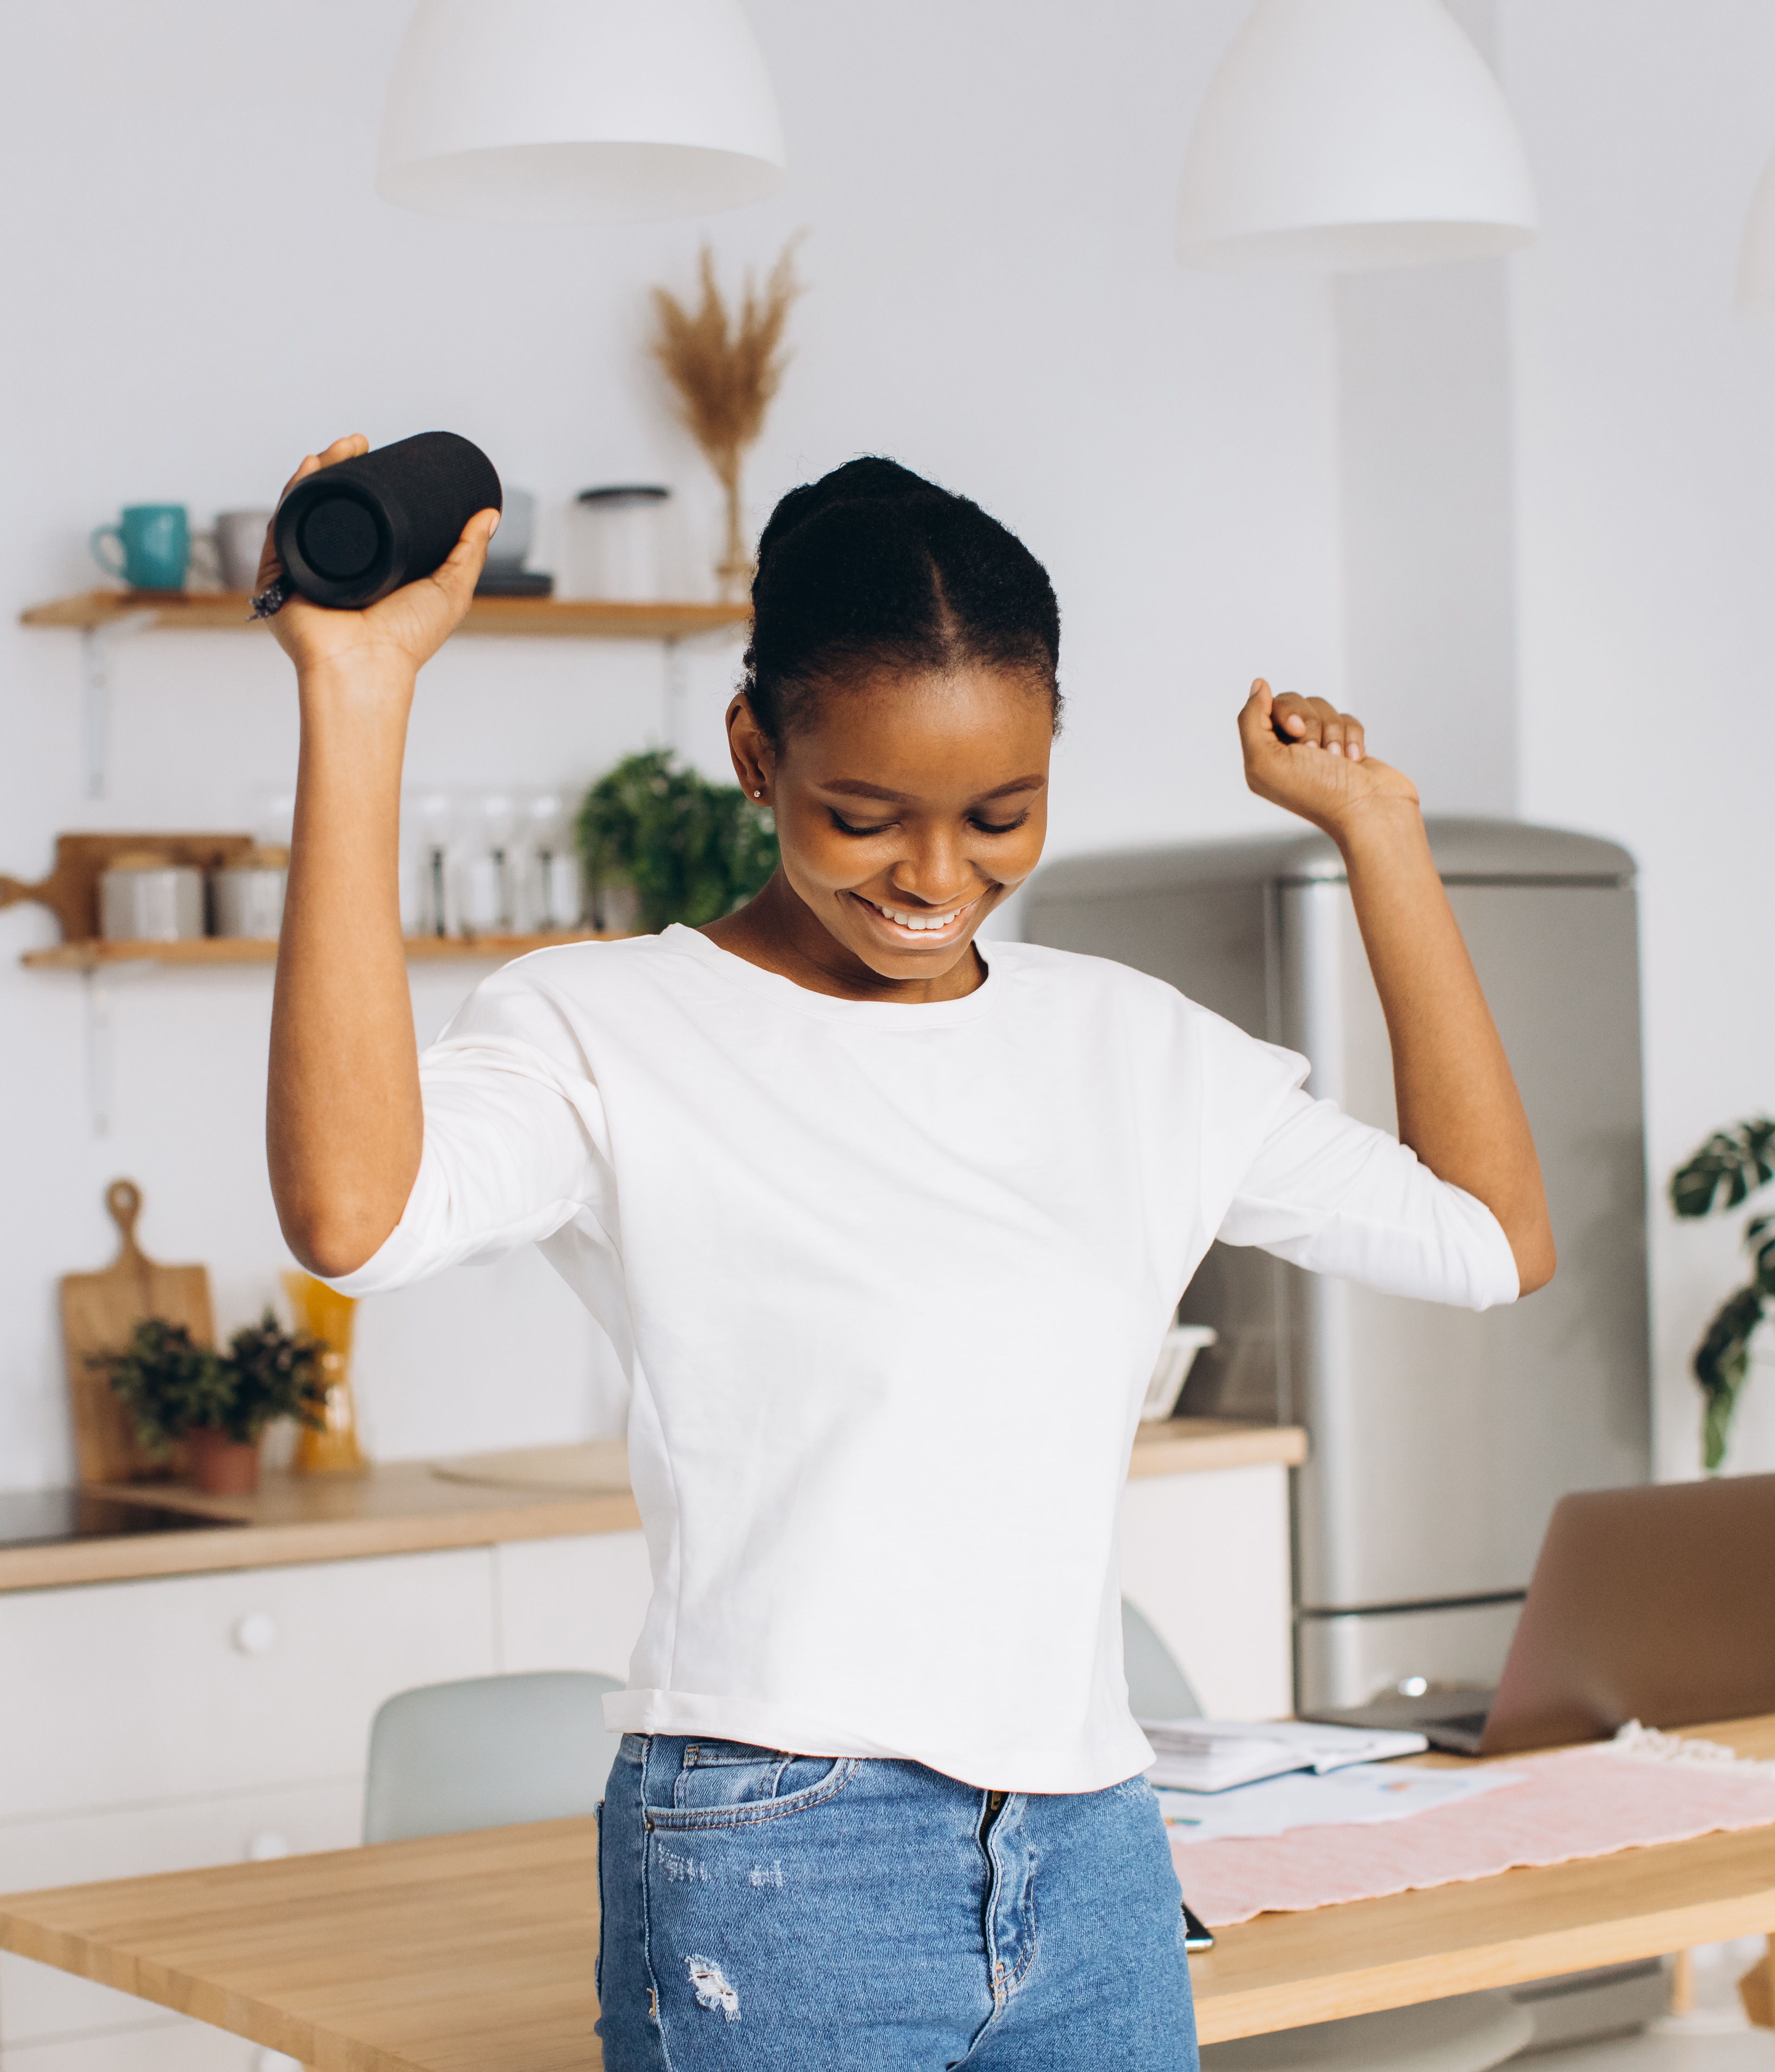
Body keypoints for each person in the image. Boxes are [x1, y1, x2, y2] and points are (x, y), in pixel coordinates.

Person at [263, 439, 1553, 2072]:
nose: (939, 880)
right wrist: (358, 699)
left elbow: (1493, 1240)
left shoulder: (1132, 1049)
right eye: (865, 818)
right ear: (755, 753)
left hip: (1090, 1851)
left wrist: (1380, 830)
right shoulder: (613, 1027)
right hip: (776, 1854)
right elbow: (352, 1217)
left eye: (999, 817)